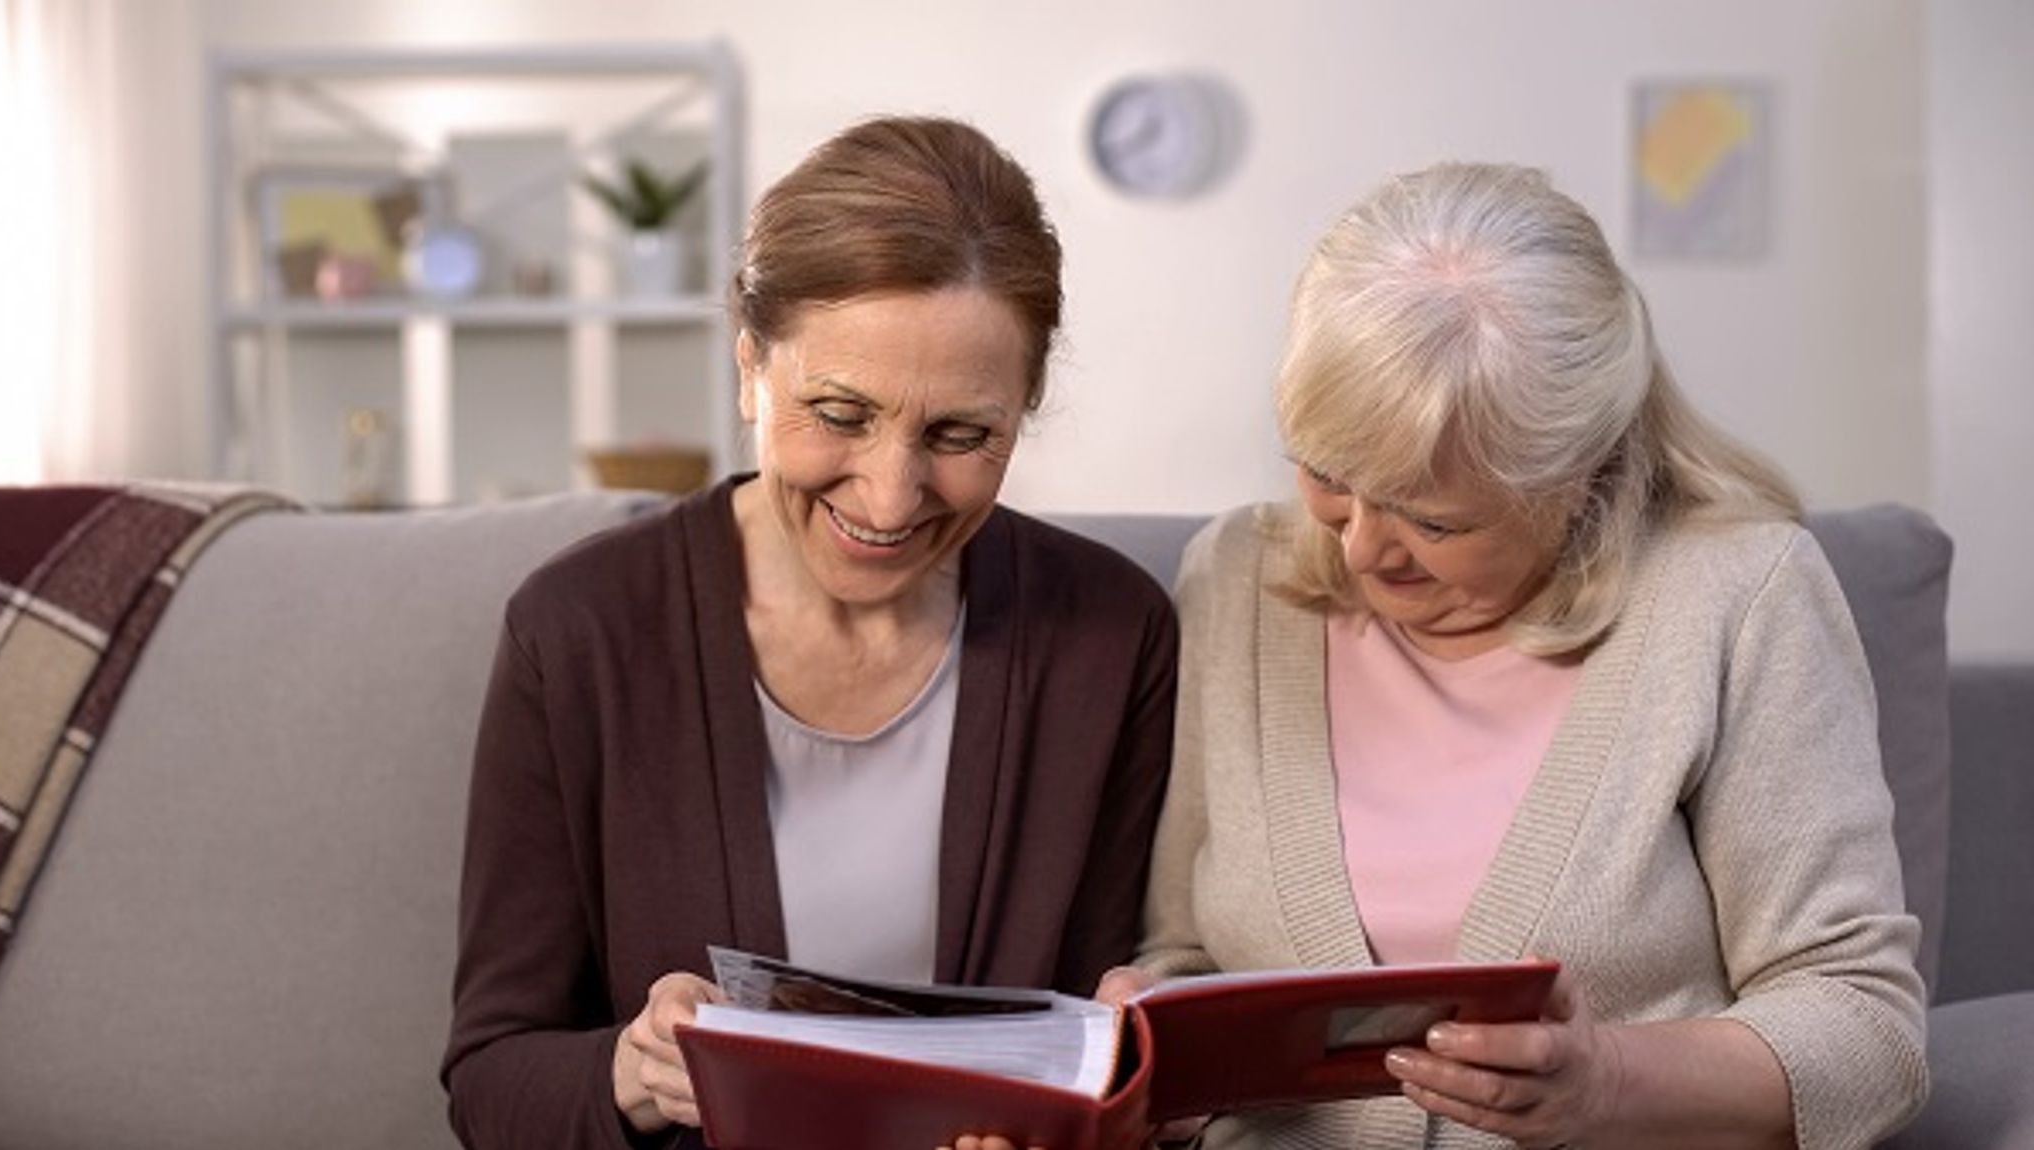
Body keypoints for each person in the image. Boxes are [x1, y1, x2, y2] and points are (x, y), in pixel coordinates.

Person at [1108, 162, 1928, 1149]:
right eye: (1327, 476)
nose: (1360, 544)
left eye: (1430, 516)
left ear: (1573, 476)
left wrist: (1607, 1083)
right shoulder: (1234, 577)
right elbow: (1188, 952)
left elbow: (1867, 1028)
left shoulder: (1736, 594)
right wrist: (1154, 1055)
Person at [441, 116, 1179, 1148]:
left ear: (1025, 406)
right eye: (837, 413)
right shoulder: (579, 632)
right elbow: (489, 1080)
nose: (889, 498)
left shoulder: (1111, 634)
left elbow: (1102, 1035)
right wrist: (635, 1070)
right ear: (750, 367)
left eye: (961, 434)